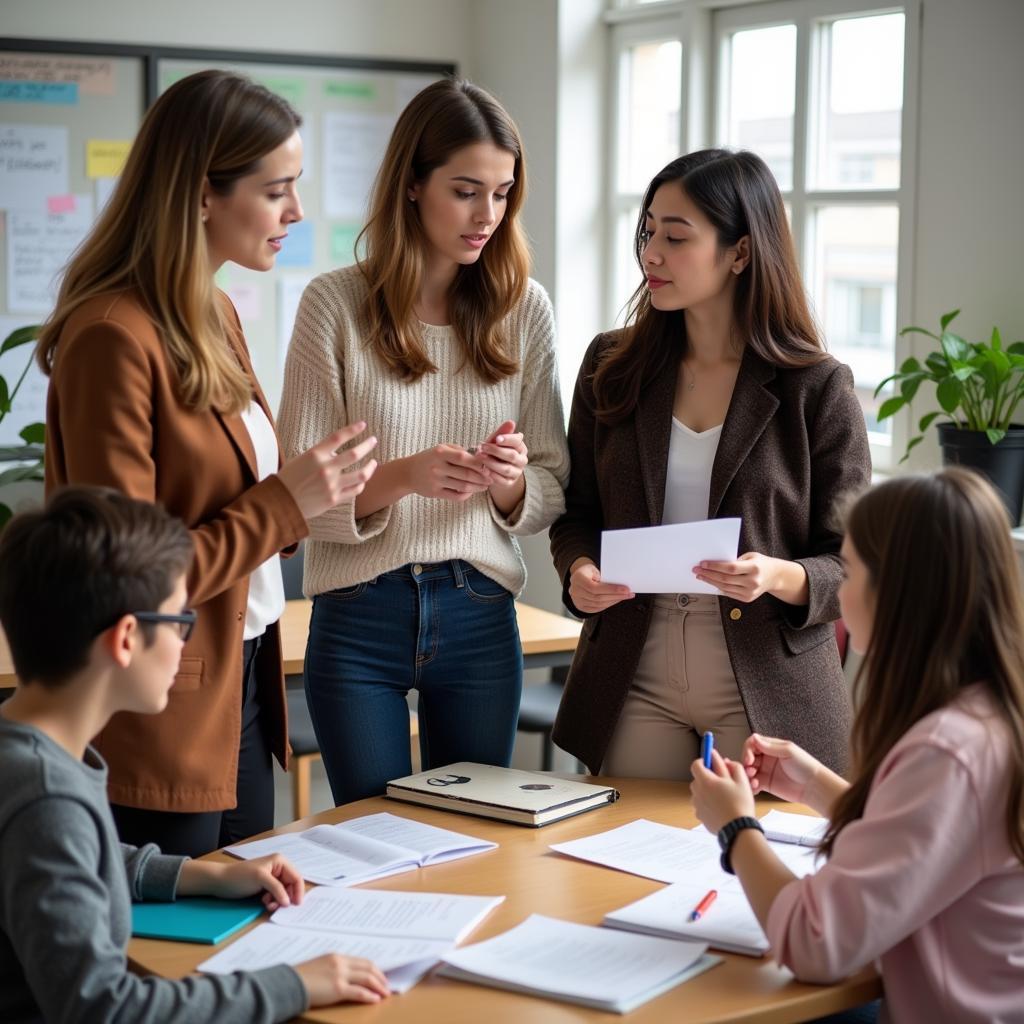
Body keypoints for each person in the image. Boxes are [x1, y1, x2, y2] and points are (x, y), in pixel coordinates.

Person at [37, 70, 378, 857]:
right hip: (162, 708)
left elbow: (251, 495)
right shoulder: (113, 337)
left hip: (242, 684)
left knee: (239, 929)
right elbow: (128, 577)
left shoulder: (213, 308)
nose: (296, 212)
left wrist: (322, 486)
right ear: (199, 195)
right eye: (276, 190)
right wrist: (288, 502)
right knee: (171, 952)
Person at [278, 78, 569, 805]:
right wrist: (404, 476)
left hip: (479, 612)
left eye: (503, 194)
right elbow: (296, 499)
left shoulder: (524, 309)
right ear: (412, 184)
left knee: (478, 842)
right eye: (466, 191)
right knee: (372, 839)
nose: (487, 216)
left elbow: (552, 484)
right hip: (357, 613)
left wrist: (507, 482)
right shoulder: (333, 306)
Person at [0, 487, 390, 1023]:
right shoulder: (46, 797)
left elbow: (89, 857)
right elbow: (103, 1009)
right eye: (181, 621)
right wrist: (293, 985)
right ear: (127, 639)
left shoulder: (23, 752)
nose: (187, 642)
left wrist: (201, 876)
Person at [549, 149, 870, 778]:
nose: (651, 255)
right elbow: (577, 511)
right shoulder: (611, 365)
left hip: (763, 680)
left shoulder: (818, 387)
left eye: (675, 237)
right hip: (633, 669)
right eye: (647, 233)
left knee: (752, 867)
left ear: (740, 252)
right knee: (623, 867)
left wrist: (778, 575)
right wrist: (580, 570)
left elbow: (854, 562)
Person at [691, 468, 1024, 1023]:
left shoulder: (946, 752)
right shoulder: (988, 714)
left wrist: (736, 830)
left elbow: (815, 943)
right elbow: (936, 840)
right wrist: (815, 785)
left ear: (898, 590)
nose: (841, 590)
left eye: (854, 569)